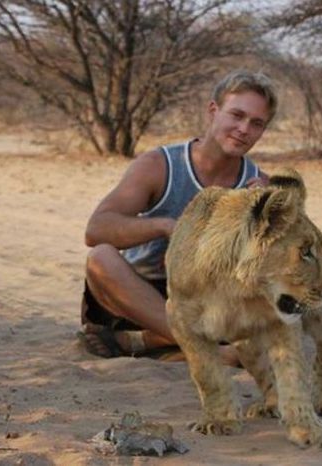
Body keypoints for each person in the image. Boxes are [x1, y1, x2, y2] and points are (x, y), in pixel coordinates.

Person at [78, 70, 278, 364]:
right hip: (138, 298)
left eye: (256, 123)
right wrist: (165, 227)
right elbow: (96, 230)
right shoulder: (160, 164)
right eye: (236, 115)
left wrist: (265, 217)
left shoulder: (258, 184)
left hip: (204, 301)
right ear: (213, 111)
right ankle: (202, 348)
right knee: (100, 258)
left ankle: (151, 342)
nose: (243, 129)